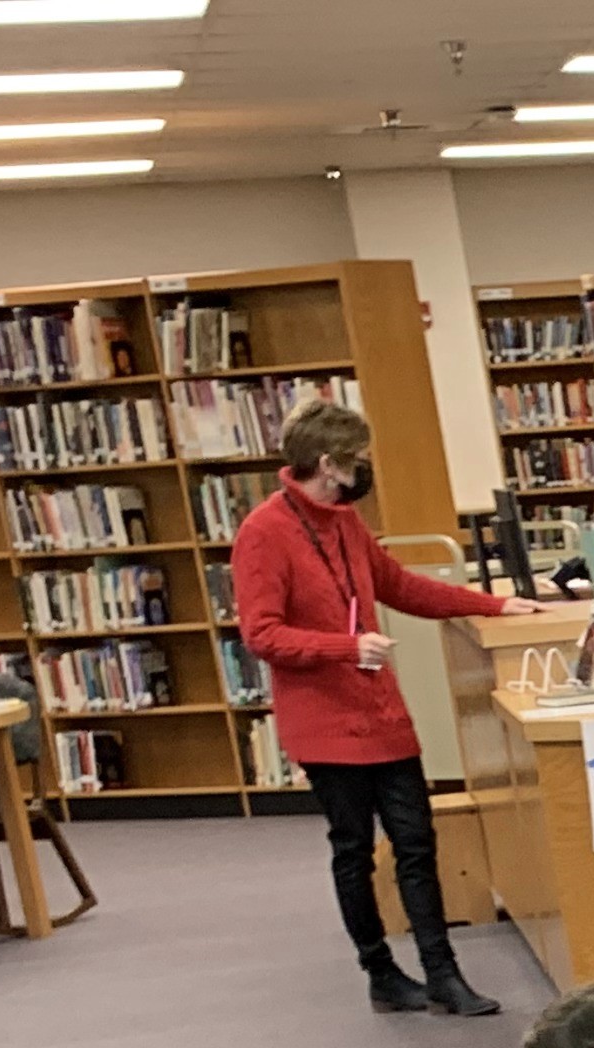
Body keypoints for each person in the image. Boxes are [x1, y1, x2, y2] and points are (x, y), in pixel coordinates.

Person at [231, 398, 540, 1016]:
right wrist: (345, 647)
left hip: (380, 712)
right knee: (353, 847)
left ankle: (442, 972)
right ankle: (380, 972)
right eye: (360, 459)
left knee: (416, 840)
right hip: (325, 721)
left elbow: (397, 585)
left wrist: (491, 605)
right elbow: (260, 634)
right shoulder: (263, 533)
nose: (367, 469)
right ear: (330, 463)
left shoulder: (344, 521)